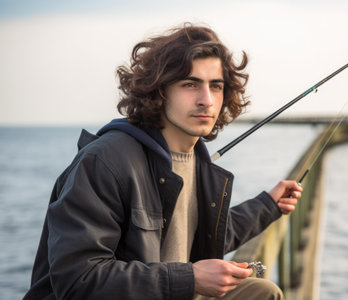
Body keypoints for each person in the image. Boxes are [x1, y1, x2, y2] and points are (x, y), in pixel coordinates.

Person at [24, 23, 303, 300]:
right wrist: (190, 278)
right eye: (190, 84)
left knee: (263, 292)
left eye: (215, 86)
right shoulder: (105, 161)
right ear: (159, 91)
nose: (206, 100)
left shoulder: (197, 162)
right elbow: (78, 281)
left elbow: (199, 233)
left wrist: (268, 205)